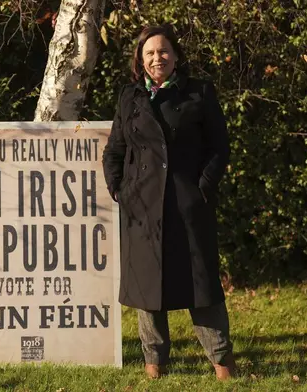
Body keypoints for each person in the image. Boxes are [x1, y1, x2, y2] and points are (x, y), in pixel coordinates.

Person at [102, 24, 237, 380]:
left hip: (188, 203)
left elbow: (219, 148)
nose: (157, 58)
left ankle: (222, 363)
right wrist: (120, 190)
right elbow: (115, 150)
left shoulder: (199, 93)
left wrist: (203, 188)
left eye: (163, 51)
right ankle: (154, 365)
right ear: (140, 60)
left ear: (175, 56)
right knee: (148, 290)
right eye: (149, 53)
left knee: (202, 285)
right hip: (142, 207)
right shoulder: (129, 97)